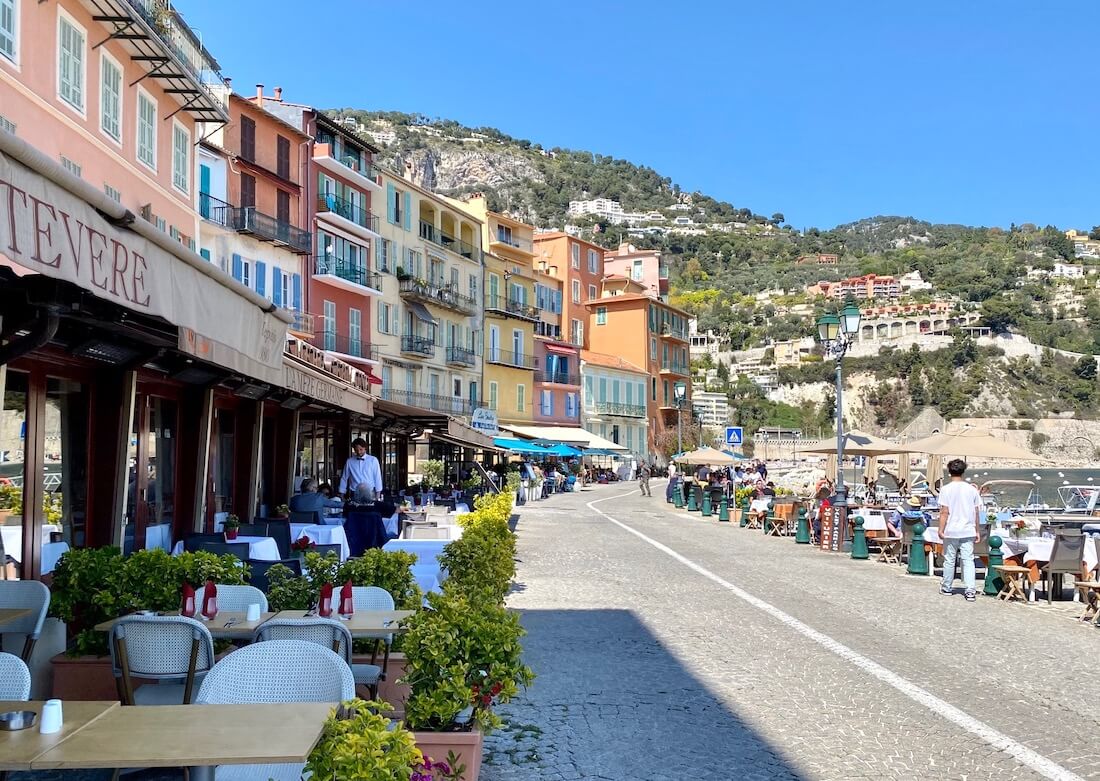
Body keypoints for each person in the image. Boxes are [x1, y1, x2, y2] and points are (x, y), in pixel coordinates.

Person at [937, 459, 982, 602]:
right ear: (963, 471)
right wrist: (977, 530)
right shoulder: (971, 490)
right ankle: (970, 589)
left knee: (949, 560)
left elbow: (944, 511)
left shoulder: (946, 489)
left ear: (949, 472)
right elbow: (976, 512)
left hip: (952, 529)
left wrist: (940, 529)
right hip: (968, 529)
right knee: (968, 560)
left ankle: (947, 586)